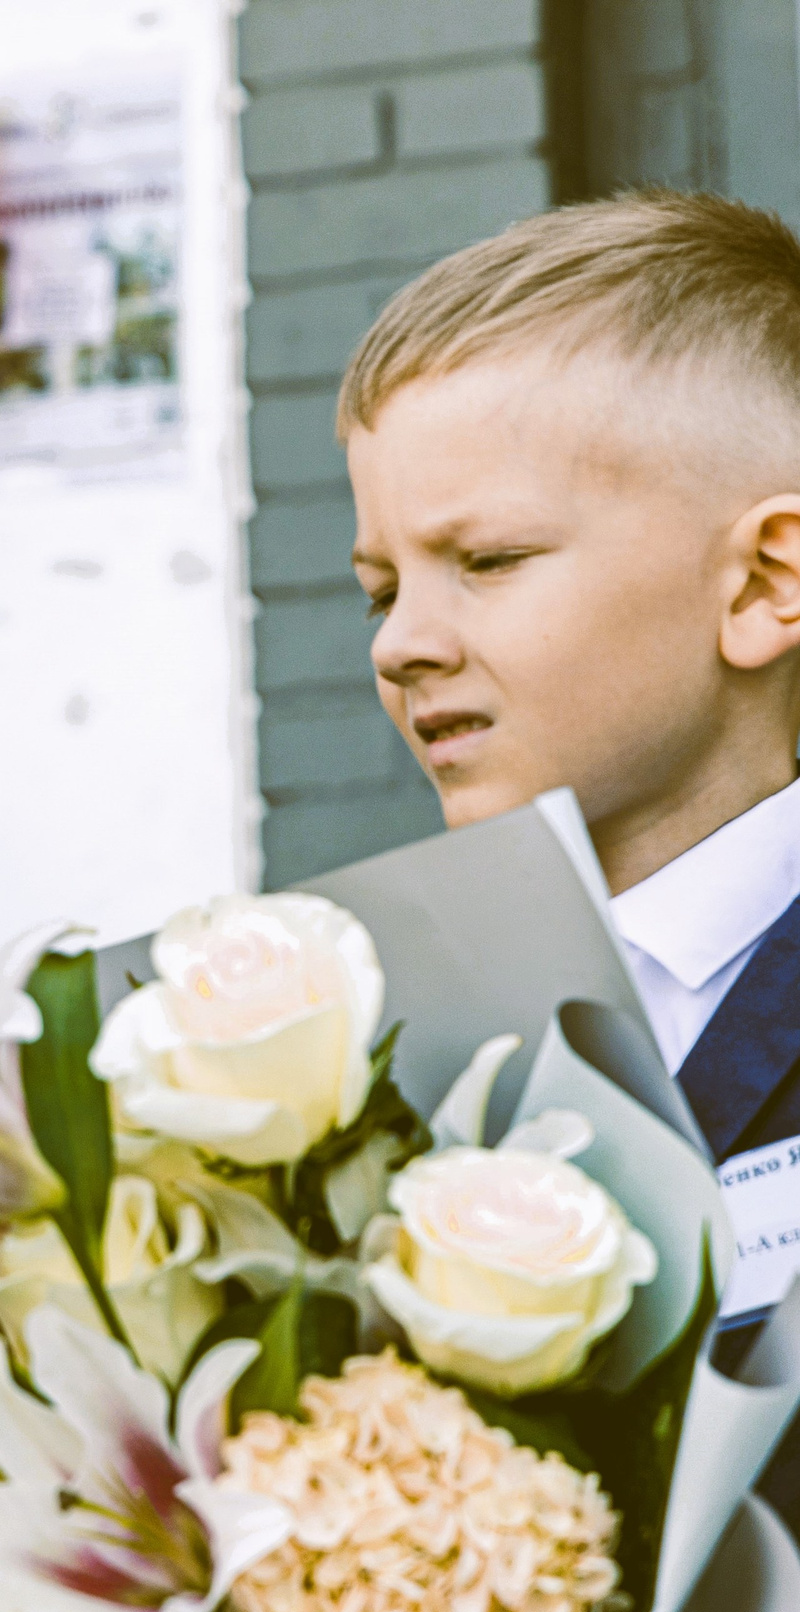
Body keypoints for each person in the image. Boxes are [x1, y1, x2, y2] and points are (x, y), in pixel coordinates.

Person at [343, 191, 800, 1511]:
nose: (401, 643)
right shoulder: (366, 1050)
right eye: (382, 588)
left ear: (766, 583)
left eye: (487, 559)